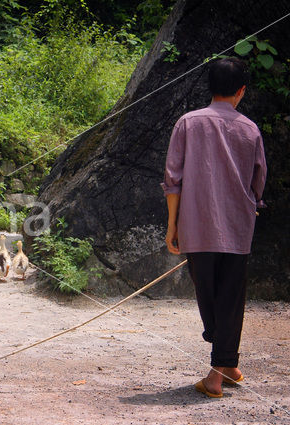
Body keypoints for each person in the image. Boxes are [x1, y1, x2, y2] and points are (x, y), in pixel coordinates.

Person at [162, 57, 267, 398]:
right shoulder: (249, 129)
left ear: (211, 88)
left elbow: (172, 179)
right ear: (241, 91)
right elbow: (258, 181)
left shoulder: (188, 123)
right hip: (237, 227)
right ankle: (227, 364)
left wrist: (172, 225)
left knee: (207, 295)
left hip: (197, 226)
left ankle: (216, 376)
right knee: (231, 299)